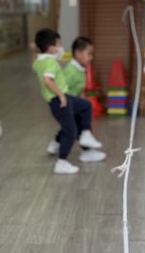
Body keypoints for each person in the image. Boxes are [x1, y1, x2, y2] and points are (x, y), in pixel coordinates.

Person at [33, 29, 103, 175]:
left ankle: (84, 140)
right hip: (61, 100)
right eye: (59, 44)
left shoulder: (40, 62)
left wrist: (34, 50)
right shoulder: (51, 62)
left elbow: (35, 64)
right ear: (51, 48)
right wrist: (61, 96)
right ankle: (62, 161)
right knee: (70, 131)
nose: (61, 48)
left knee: (85, 107)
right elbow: (47, 80)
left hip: (62, 100)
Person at [46, 36, 106, 164]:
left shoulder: (80, 69)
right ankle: (82, 151)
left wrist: (81, 100)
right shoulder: (71, 71)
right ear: (78, 53)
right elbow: (61, 89)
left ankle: (57, 144)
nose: (91, 57)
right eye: (89, 54)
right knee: (75, 128)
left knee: (74, 126)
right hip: (65, 105)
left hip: (73, 104)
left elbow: (79, 89)